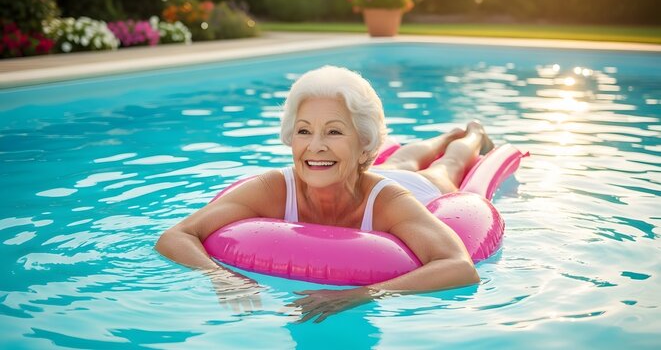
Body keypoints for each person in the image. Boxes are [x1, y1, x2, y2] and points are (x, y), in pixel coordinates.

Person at [155, 65, 494, 322]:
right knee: (406, 156)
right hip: (363, 171)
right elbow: (176, 235)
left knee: (444, 168)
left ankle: (471, 134)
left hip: (415, 188)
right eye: (304, 131)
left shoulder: (390, 202)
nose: (315, 146)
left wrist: (365, 294)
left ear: (364, 147)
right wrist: (221, 278)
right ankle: (445, 134)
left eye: (333, 131)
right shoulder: (275, 188)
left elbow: (459, 267)